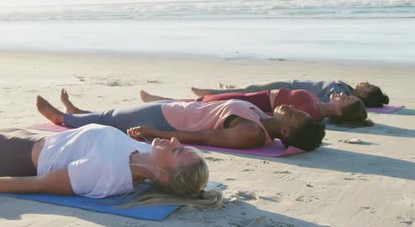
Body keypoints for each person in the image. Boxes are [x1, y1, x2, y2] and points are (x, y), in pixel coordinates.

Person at [0, 115, 222, 207]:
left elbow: (32, 185)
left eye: (176, 150)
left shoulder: (104, 173)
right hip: (24, 140)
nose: (174, 139)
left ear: (161, 173)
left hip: (0, 154)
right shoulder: (137, 158)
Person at [37, 90, 325, 152]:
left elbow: (203, 138)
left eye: (295, 113)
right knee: (113, 114)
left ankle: (62, 117)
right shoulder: (263, 118)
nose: (290, 107)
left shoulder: (251, 132)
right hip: (177, 107)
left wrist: (153, 131)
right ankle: (78, 110)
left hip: (165, 118)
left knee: (111, 118)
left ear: (287, 130)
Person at [140, 87, 372, 128]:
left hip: (255, 103)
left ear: (340, 111)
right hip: (256, 95)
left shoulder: (310, 115)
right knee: (204, 101)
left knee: (203, 104)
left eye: (346, 100)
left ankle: (159, 100)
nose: (342, 95)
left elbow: (274, 116)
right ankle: (162, 100)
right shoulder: (317, 104)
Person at [190, 80, 389, 108]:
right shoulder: (345, 88)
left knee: (250, 91)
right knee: (250, 89)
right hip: (290, 86)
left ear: (364, 95)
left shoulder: (339, 92)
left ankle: (211, 93)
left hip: (289, 90)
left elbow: (323, 102)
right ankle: (214, 92)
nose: (366, 83)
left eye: (368, 87)